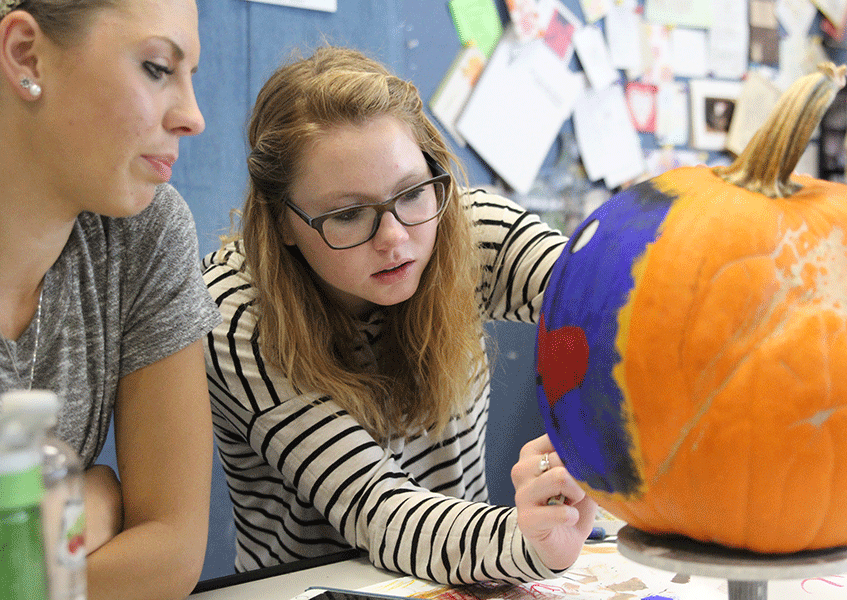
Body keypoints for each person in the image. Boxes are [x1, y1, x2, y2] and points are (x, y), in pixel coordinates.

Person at [203, 46, 597, 584]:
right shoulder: (232, 315)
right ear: (283, 223)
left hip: (472, 582)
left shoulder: (464, 224)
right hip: (320, 590)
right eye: (347, 214)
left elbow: (609, 300)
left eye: (410, 192)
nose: (395, 239)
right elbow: (379, 512)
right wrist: (528, 540)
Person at [0, 1, 220, 599]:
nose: (193, 117)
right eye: (156, 68)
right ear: (26, 53)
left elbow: (172, 550)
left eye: (190, 76)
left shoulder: (144, 229)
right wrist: (90, 498)